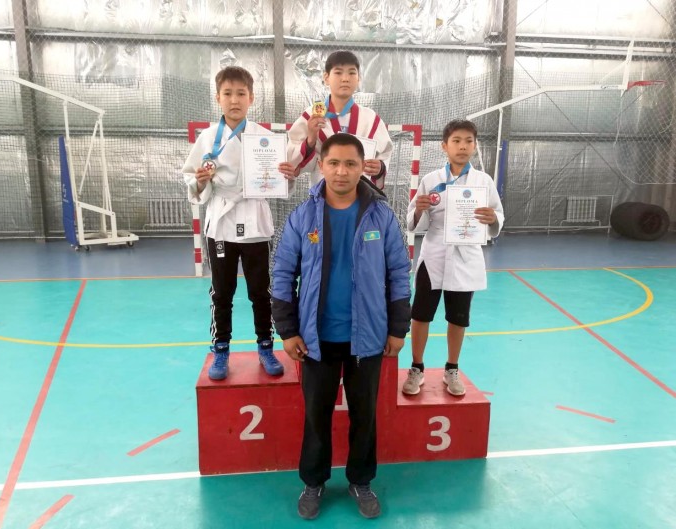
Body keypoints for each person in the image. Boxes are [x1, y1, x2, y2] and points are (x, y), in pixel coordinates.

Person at [271, 134, 411, 520]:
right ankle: (313, 481)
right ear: (321, 166)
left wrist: (398, 327)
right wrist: (288, 330)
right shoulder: (302, 217)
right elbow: (282, 274)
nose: (341, 171)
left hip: (368, 338)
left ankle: (361, 480)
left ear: (362, 167)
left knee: (364, 415)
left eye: (350, 163)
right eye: (334, 163)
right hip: (316, 340)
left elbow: (399, 273)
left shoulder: (382, 216)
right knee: (316, 415)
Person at [182, 65, 291, 380]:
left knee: (261, 291)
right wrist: (200, 181)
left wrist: (287, 175)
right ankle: (220, 350)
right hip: (222, 223)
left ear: (251, 98)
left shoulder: (265, 138)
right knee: (222, 292)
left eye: (241, 93)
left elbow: (281, 181)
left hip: (255, 223)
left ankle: (266, 346)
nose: (234, 100)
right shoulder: (207, 138)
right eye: (227, 93)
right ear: (218, 97)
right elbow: (192, 181)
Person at [402, 119, 504, 397]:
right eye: (456, 141)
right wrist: (420, 210)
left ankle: (452, 368)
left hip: (465, 256)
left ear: (475, 145)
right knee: (420, 315)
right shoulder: (431, 180)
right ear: (444, 146)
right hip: (433, 256)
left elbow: (497, 215)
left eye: (468, 141)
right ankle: (417, 367)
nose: (462, 146)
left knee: (458, 318)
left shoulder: (483, 181)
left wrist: (493, 218)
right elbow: (413, 222)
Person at [278, 50, 393, 190]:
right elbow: (292, 165)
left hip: (361, 195)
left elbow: (385, 153)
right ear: (326, 78)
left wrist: (380, 167)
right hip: (323, 195)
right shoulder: (311, 117)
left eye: (352, 73)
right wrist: (311, 139)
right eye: (338, 73)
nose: (345, 79)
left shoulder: (370, 119)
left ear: (359, 78)